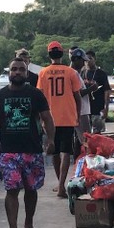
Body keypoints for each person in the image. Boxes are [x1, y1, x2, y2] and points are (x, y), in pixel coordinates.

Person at [0, 57, 55, 228]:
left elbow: (47, 118)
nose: (17, 72)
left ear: (26, 73)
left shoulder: (35, 95)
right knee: (12, 189)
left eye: (21, 70)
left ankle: (29, 223)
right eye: (14, 69)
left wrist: (50, 140)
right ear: (9, 72)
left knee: (31, 189)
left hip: (32, 150)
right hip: (9, 152)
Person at [36, 41, 85, 198]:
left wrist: (40, 119)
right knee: (66, 152)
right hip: (67, 117)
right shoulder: (70, 73)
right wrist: (77, 115)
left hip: (49, 119)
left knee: (55, 153)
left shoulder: (43, 73)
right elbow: (78, 97)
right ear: (62, 54)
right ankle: (62, 185)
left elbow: (40, 97)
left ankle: (60, 184)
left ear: (49, 54)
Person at [83, 50, 112, 133]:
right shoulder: (82, 73)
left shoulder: (101, 73)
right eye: (86, 59)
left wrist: (106, 108)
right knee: (86, 135)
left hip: (97, 108)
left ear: (94, 59)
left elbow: (107, 91)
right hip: (85, 109)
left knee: (97, 134)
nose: (88, 61)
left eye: (90, 59)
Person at [69, 47, 92, 139]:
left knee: (82, 139)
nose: (83, 64)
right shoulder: (72, 74)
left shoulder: (76, 74)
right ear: (76, 60)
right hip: (80, 111)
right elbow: (78, 93)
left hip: (83, 110)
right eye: (82, 61)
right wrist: (91, 89)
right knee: (86, 138)